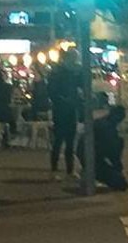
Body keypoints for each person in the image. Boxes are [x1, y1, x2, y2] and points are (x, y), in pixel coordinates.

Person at [78, 104, 128, 190]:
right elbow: (112, 153)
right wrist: (118, 168)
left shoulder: (103, 123)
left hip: (88, 153)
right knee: (119, 182)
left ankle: (88, 173)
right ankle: (89, 174)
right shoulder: (107, 127)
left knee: (116, 178)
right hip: (90, 155)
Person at [47, 49, 81, 179]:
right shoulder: (58, 72)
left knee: (70, 141)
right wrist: (62, 100)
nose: (75, 61)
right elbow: (52, 91)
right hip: (61, 110)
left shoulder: (73, 73)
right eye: (73, 58)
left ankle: (69, 170)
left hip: (69, 109)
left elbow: (81, 87)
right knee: (59, 140)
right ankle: (55, 170)